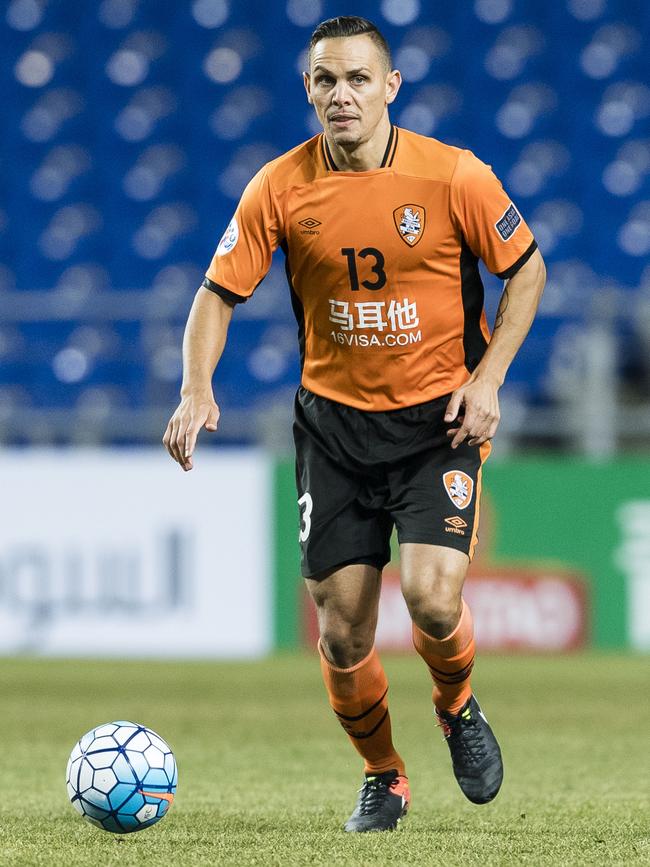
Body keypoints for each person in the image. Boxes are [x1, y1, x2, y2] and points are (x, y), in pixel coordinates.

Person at [163, 16, 546, 833]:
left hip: (436, 421)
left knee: (434, 602)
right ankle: (384, 774)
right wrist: (196, 386)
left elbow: (526, 269)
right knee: (341, 630)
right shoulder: (279, 185)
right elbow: (214, 294)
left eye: (358, 80)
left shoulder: (454, 177)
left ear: (391, 87)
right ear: (308, 89)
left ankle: (458, 704)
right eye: (326, 81)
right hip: (333, 428)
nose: (342, 95)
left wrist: (489, 379)